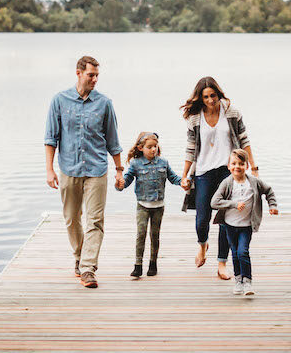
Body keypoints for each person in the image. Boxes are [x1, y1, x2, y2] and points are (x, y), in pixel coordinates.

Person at [44, 55, 124, 288]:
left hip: (97, 169)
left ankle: (88, 268)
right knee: (71, 218)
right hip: (69, 168)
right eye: (91, 75)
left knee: (95, 220)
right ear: (78, 73)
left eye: (97, 75)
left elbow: (113, 141)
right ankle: (79, 256)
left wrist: (119, 171)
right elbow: (51, 139)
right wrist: (49, 170)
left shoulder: (105, 103)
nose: (95, 79)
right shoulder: (59, 101)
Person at [180, 76, 259, 280]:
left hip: (228, 171)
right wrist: (185, 174)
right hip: (203, 171)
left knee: (226, 219)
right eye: (205, 97)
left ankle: (222, 263)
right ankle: (202, 244)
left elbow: (244, 139)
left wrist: (254, 165)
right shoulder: (195, 117)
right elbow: (190, 148)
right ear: (200, 97)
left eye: (213, 95)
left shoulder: (231, 112)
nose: (210, 100)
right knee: (202, 218)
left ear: (218, 93)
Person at [115, 132, 183, 279]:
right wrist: (119, 184)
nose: (153, 149)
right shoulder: (135, 163)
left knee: (155, 235)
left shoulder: (163, 162)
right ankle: (138, 265)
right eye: (149, 147)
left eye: (155, 146)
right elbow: (126, 182)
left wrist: (183, 182)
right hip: (142, 205)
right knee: (141, 234)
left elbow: (173, 178)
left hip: (159, 206)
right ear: (141, 148)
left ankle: (153, 264)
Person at [211, 149, 278, 296]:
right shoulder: (227, 183)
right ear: (228, 166)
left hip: (246, 226)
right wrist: (234, 204)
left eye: (241, 164)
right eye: (234, 163)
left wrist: (272, 206)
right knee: (235, 253)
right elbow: (214, 202)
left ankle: (247, 282)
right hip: (230, 225)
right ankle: (238, 280)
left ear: (246, 166)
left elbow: (269, 191)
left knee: (243, 252)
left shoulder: (253, 182)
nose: (237, 167)